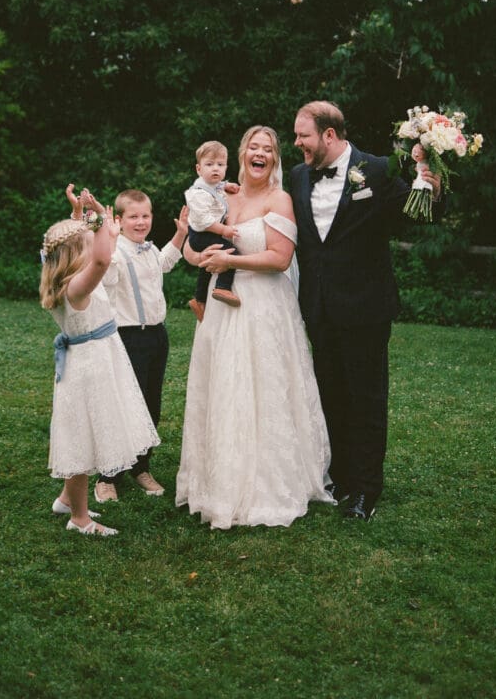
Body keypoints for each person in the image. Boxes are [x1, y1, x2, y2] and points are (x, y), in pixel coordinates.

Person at [291, 100, 441, 522]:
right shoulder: (298, 176)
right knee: (330, 394)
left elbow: (417, 213)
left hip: (366, 307)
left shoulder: (376, 170)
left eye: (303, 135)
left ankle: (365, 489)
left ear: (329, 135)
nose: (297, 142)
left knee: (366, 399)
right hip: (319, 307)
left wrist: (432, 187)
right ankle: (338, 477)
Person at [176, 125, 332, 529]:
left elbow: (280, 259)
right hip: (220, 307)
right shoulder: (220, 196)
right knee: (224, 386)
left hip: (263, 306)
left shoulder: (280, 200)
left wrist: (230, 262)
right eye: (253, 147)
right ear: (242, 153)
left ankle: (267, 485)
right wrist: (199, 258)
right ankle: (219, 481)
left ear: (274, 159)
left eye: (268, 149)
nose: (259, 154)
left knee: (264, 389)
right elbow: (192, 245)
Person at [40, 192, 160, 537]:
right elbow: (103, 259)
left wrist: (79, 214)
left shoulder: (65, 277)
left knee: (83, 436)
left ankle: (67, 499)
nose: (93, 244)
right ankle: (79, 518)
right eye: (86, 243)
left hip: (92, 362)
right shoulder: (77, 287)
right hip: (90, 369)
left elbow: (78, 244)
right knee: (82, 440)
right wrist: (104, 219)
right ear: (76, 254)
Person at [86, 188, 188, 502]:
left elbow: (164, 263)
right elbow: (106, 278)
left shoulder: (150, 248)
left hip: (156, 337)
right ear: (119, 220)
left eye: (145, 215)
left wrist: (180, 234)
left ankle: (141, 466)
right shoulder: (116, 253)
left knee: (150, 405)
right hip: (128, 338)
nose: (141, 222)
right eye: (133, 217)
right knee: (123, 406)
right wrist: (107, 239)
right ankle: (108, 476)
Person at [184, 139, 241, 321]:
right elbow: (205, 221)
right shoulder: (198, 193)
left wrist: (226, 185)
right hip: (201, 234)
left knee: (208, 265)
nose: (215, 169)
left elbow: (218, 187)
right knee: (232, 253)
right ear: (198, 169)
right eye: (209, 164)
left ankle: (199, 299)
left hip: (205, 233)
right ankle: (223, 287)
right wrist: (224, 230)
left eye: (220, 165)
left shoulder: (213, 186)